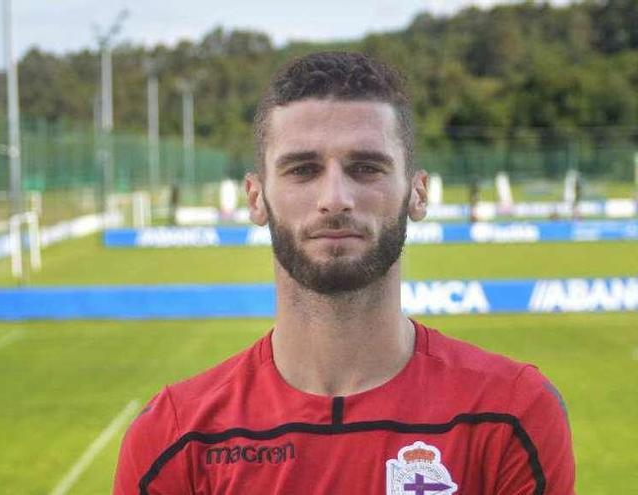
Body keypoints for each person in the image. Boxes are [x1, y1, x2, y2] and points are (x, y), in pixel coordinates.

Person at [114, 52, 574, 495]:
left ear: (417, 193)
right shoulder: (174, 440)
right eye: (302, 169)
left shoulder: (512, 416)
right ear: (255, 198)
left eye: (366, 168)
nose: (335, 198)